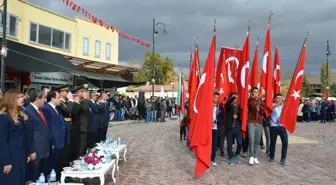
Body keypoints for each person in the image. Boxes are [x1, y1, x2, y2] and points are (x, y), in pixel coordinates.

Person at [0, 90, 31, 185]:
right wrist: (6, 161)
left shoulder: (20, 117)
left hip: (21, 155)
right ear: (11, 100)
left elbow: (24, 137)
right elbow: (2, 141)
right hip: (11, 157)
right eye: (19, 97)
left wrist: (27, 153)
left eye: (22, 97)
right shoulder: (4, 117)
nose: (23, 99)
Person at [25, 88, 50, 181]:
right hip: (36, 151)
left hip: (44, 149)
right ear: (36, 98)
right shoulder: (28, 111)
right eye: (43, 98)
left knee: (42, 176)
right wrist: (31, 151)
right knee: (34, 176)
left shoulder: (40, 110)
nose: (45, 100)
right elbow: (28, 133)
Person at [41, 91, 66, 180]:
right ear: (52, 98)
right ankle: (53, 179)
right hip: (54, 142)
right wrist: (51, 142)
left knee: (58, 162)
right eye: (58, 97)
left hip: (60, 140)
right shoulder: (46, 109)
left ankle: (58, 178)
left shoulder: (56, 109)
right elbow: (48, 127)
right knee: (52, 163)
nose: (60, 99)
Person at [269, 93, 288, 166]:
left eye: (280, 98)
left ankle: (283, 159)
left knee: (285, 142)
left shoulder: (284, 107)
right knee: (273, 142)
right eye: (278, 98)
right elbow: (271, 108)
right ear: (275, 99)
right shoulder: (273, 105)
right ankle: (271, 156)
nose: (279, 99)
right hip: (273, 126)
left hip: (282, 126)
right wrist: (279, 104)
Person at [247, 87, 264, 165]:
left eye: (257, 92)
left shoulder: (261, 101)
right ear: (252, 92)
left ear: (258, 93)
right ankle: (250, 156)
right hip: (251, 121)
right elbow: (248, 104)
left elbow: (264, 109)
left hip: (259, 122)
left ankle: (255, 156)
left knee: (257, 140)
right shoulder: (250, 100)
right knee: (251, 138)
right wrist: (251, 98)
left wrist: (259, 108)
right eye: (254, 91)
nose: (255, 93)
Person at [225, 94, 242, 165]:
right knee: (229, 144)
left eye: (236, 97)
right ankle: (230, 158)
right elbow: (227, 103)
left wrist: (237, 117)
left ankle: (237, 154)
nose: (235, 98)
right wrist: (232, 98)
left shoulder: (239, 107)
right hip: (230, 127)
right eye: (234, 97)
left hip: (237, 127)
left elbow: (240, 117)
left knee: (240, 142)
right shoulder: (228, 106)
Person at [210, 92, 220, 166]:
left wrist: (216, 120)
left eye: (217, 97)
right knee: (208, 144)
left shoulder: (220, 107)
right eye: (215, 97)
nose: (216, 99)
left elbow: (222, 118)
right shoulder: (208, 106)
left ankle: (213, 159)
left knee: (214, 145)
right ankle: (206, 159)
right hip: (208, 128)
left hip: (215, 128)